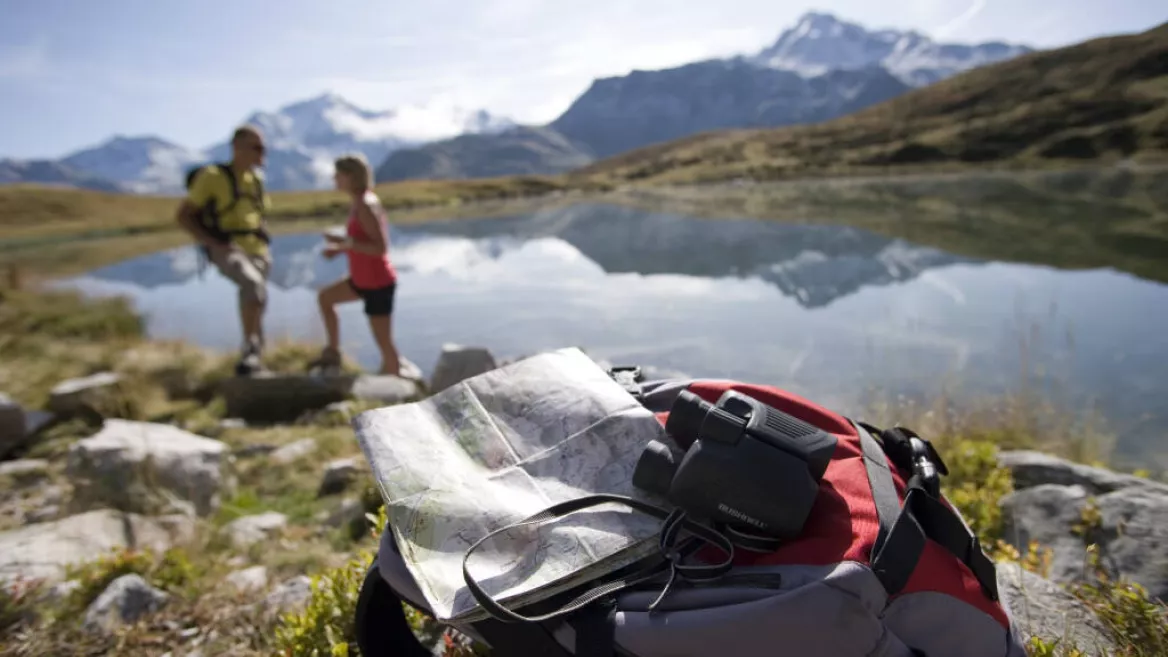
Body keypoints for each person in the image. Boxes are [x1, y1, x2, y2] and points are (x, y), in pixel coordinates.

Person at [175, 125, 271, 376]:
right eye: (257, 147)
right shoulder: (213, 176)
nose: (263, 153)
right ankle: (251, 350)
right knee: (251, 285)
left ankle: (255, 358)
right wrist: (212, 242)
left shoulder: (256, 180)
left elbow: (259, 215)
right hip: (227, 248)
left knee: (256, 298)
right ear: (237, 148)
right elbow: (184, 215)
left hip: (258, 251)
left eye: (264, 147)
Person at [312, 153, 403, 376]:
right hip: (362, 280)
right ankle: (333, 351)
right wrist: (340, 248)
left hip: (378, 284)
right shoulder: (360, 202)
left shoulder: (365, 204)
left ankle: (400, 388)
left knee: (385, 345)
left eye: (338, 174)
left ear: (351, 176)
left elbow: (381, 247)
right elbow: (363, 242)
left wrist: (345, 243)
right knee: (325, 298)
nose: (334, 178)